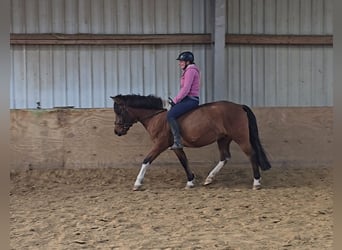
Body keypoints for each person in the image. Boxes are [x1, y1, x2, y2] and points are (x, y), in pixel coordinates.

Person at [167, 51, 201, 150]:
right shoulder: (189, 70)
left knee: (170, 115)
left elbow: (186, 89)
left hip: (190, 100)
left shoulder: (190, 71)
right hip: (188, 99)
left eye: (181, 61)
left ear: (187, 62)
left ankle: (177, 141)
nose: (179, 63)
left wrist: (175, 101)